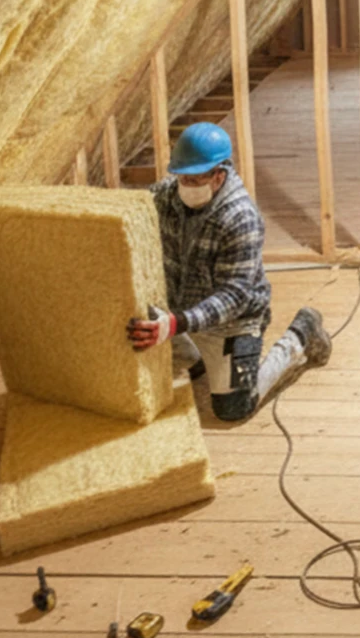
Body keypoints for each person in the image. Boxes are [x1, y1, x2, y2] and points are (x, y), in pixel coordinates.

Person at [126, 122, 330, 421]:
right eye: (181, 177)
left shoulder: (240, 217)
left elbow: (234, 295)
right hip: (180, 313)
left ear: (219, 176)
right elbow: (127, 211)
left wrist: (176, 324)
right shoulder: (166, 196)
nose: (185, 186)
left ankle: (300, 336)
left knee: (233, 409)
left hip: (233, 322)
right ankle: (194, 358)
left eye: (195, 180)